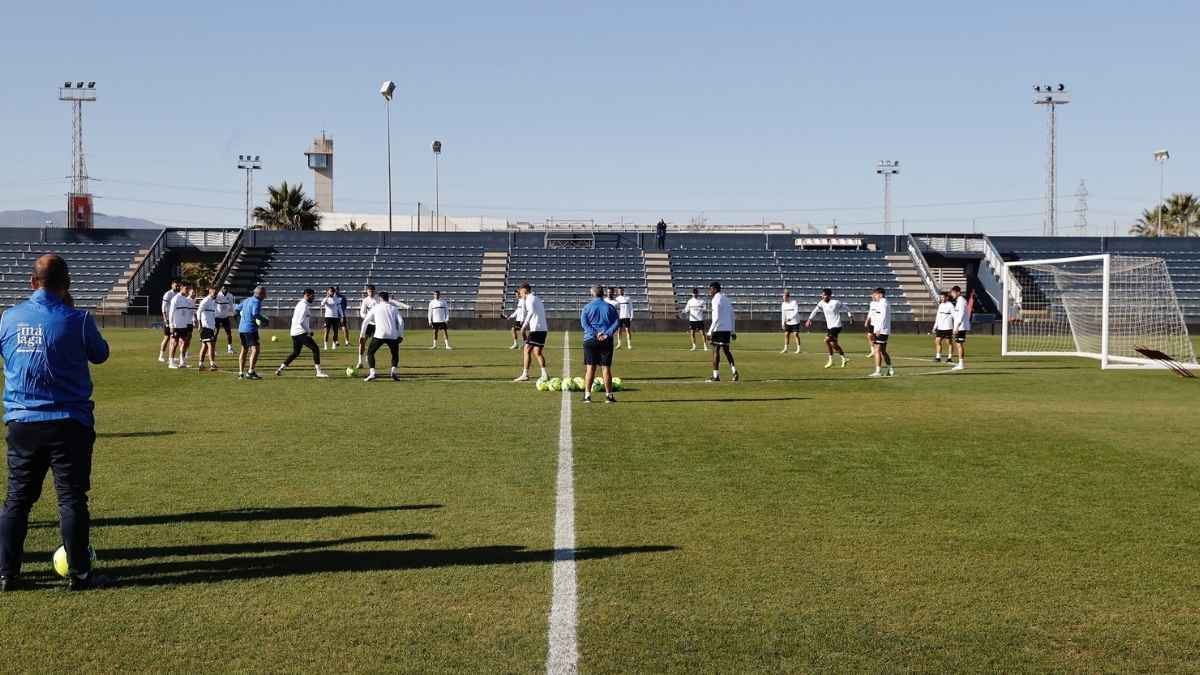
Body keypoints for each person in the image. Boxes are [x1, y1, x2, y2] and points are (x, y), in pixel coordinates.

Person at [0, 254, 111, 591]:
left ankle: (6, 574)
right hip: (69, 422)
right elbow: (101, 354)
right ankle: (80, 573)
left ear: (33, 282)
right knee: (71, 498)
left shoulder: (8, 317)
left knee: (17, 499)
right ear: (67, 285)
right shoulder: (79, 319)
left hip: (22, 420)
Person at [275, 289, 328, 378]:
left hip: (295, 332)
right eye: (312, 296)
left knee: (296, 353)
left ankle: (280, 369)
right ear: (307, 295)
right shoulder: (303, 306)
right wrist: (309, 331)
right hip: (300, 332)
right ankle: (319, 372)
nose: (313, 298)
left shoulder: (301, 304)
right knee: (315, 349)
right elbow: (301, 321)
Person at [580, 284, 620, 403]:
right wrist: (607, 334)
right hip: (606, 341)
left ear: (592, 293)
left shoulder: (587, 307)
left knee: (590, 368)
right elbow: (617, 322)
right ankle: (609, 396)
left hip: (590, 340)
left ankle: (587, 395)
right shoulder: (610, 307)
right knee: (606, 368)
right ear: (603, 293)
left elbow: (584, 324)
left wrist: (595, 333)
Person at [805, 288, 852, 368]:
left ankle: (831, 361)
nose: (822, 296)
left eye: (824, 295)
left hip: (837, 326)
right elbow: (815, 311)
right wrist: (809, 319)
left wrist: (850, 316)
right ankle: (844, 358)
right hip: (830, 327)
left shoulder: (835, 302)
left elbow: (846, 308)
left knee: (826, 340)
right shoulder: (821, 303)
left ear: (829, 296)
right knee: (833, 344)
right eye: (822, 295)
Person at [363, 291, 404, 382]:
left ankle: (372, 373)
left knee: (370, 353)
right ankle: (393, 371)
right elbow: (401, 322)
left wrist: (362, 335)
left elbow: (366, 321)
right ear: (387, 298)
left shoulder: (375, 307)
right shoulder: (394, 308)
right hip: (392, 335)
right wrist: (401, 335)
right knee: (395, 354)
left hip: (379, 334)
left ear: (380, 298)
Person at [513, 282, 550, 383]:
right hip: (543, 329)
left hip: (536, 329)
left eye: (520, 291)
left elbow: (531, 311)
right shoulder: (536, 298)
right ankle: (544, 374)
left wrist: (524, 326)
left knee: (526, 349)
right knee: (537, 352)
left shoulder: (529, 299)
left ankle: (525, 374)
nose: (519, 294)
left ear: (524, 290)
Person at [707, 281, 739, 382]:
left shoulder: (715, 299)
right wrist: (733, 331)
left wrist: (709, 331)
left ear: (715, 289)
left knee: (715, 350)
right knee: (726, 351)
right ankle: (734, 371)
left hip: (718, 328)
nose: (709, 291)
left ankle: (716, 376)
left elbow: (716, 317)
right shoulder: (726, 299)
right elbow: (732, 316)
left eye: (710, 289)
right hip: (727, 329)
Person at [237, 285, 267, 380]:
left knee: (244, 349)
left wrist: (244, 317)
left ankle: (241, 373)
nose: (265, 295)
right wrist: (265, 320)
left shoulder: (246, 300)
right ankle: (250, 372)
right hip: (250, 329)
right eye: (265, 294)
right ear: (260, 294)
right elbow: (255, 314)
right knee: (255, 350)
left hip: (242, 328)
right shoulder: (257, 301)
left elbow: (237, 309)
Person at [167, 281, 196, 369]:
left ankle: (182, 361)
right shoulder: (175, 299)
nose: (187, 290)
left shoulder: (186, 299)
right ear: (181, 288)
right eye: (186, 288)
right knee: (174, 343)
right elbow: (171, 313)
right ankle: (171, 362)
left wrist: (190, 322)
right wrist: (171, 325)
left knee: (184, 343)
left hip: (184, 326)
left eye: (188, 289)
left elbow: (187, 313)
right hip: (176, 326)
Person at [867, 287, 895, 378]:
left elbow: (883, 317)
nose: (874, 296)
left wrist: (879, 329)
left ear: (880, 295)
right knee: (883, 351)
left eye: (875, 294)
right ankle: (890, 369)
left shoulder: (883, 303)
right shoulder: (882, 303)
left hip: (881, 330)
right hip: (882, 330)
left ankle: (878, 371)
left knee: (877, 350)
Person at [196, 285, 220, 371]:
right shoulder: (206, 300)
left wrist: (214, 325)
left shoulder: (213, 301)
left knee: (205, 346)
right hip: (206, 326)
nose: (215, 293)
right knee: (211, 345)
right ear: (210, 291)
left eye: (216, 292)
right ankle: (212, 364)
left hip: (210, 326)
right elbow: (198, 311)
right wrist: (199, 324)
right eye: (214, 292)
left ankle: (201, 364)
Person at [157, 279, 180, 363]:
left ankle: (171, 357)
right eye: (176, 285)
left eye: (178, 286)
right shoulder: (168, 294)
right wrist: (165, 319)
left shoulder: (178, 294)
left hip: (175, 319)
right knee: (167, 337)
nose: (177, 287)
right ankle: (161, 356)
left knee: (174, 338)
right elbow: (163, 307)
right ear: (172, 285)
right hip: (168, 319)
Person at [950, 285, 971, 371]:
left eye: (953, 293)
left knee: (959, 344)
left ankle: (961, 364)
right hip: (959, 326)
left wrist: (957, 327)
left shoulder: (961, 301)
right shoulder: (959, 301)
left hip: (961, 327)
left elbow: (961, 314)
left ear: (958, 292)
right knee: (958, 344)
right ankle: (960, 363)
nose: (952, 294)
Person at [681, 287, 708, 351]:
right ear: (692, 294)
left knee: (702, 333)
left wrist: (699, 308)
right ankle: (694, 346)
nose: (695, 294)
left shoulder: (702, 301)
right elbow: (686, 309)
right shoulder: (690, 301)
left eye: (696, 293)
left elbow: (705, 309)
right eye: (694, 293)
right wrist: (684, 311)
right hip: (692, 320)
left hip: (699, 319)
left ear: (698, 293)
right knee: (692, 333)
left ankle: (705, 346)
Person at [932, 291, 955, 363]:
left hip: (948, 327)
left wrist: (955, 326)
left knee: (949, 343)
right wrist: (935, 327)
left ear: (947, 298)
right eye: (941, 297)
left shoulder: (950, 305)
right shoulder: (940, 305)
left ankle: (949, 358)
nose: (942, 298)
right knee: (937, 341)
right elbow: (938, 317)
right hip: (940, 328)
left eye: (943, 297)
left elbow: (954, 316)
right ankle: (938, 357)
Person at [215, 283, 236, 354]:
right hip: (217, 317)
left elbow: (231, 306)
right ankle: (213, 349)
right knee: (215, 333)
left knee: (229, 333)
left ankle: (230, 348)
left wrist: (233, 313)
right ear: (221, 288)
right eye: (224, 288)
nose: (225, 289)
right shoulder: (217, 295)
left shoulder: (230, 296)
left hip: (225, 317)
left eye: (226, 288)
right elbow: (213, 304)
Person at [780, 290, 803, 354]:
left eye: (784, 297)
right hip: (788, 322)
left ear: (788, 297)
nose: (783, 299)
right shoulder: (783, 304)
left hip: (795, 321)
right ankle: (785, 349)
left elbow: (796, 311)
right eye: (783, 297)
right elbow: (783, 314)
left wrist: (790, 318)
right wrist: (782, 323)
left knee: (796, 334)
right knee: (786, 334)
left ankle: (798, 349)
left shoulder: (794, 302)